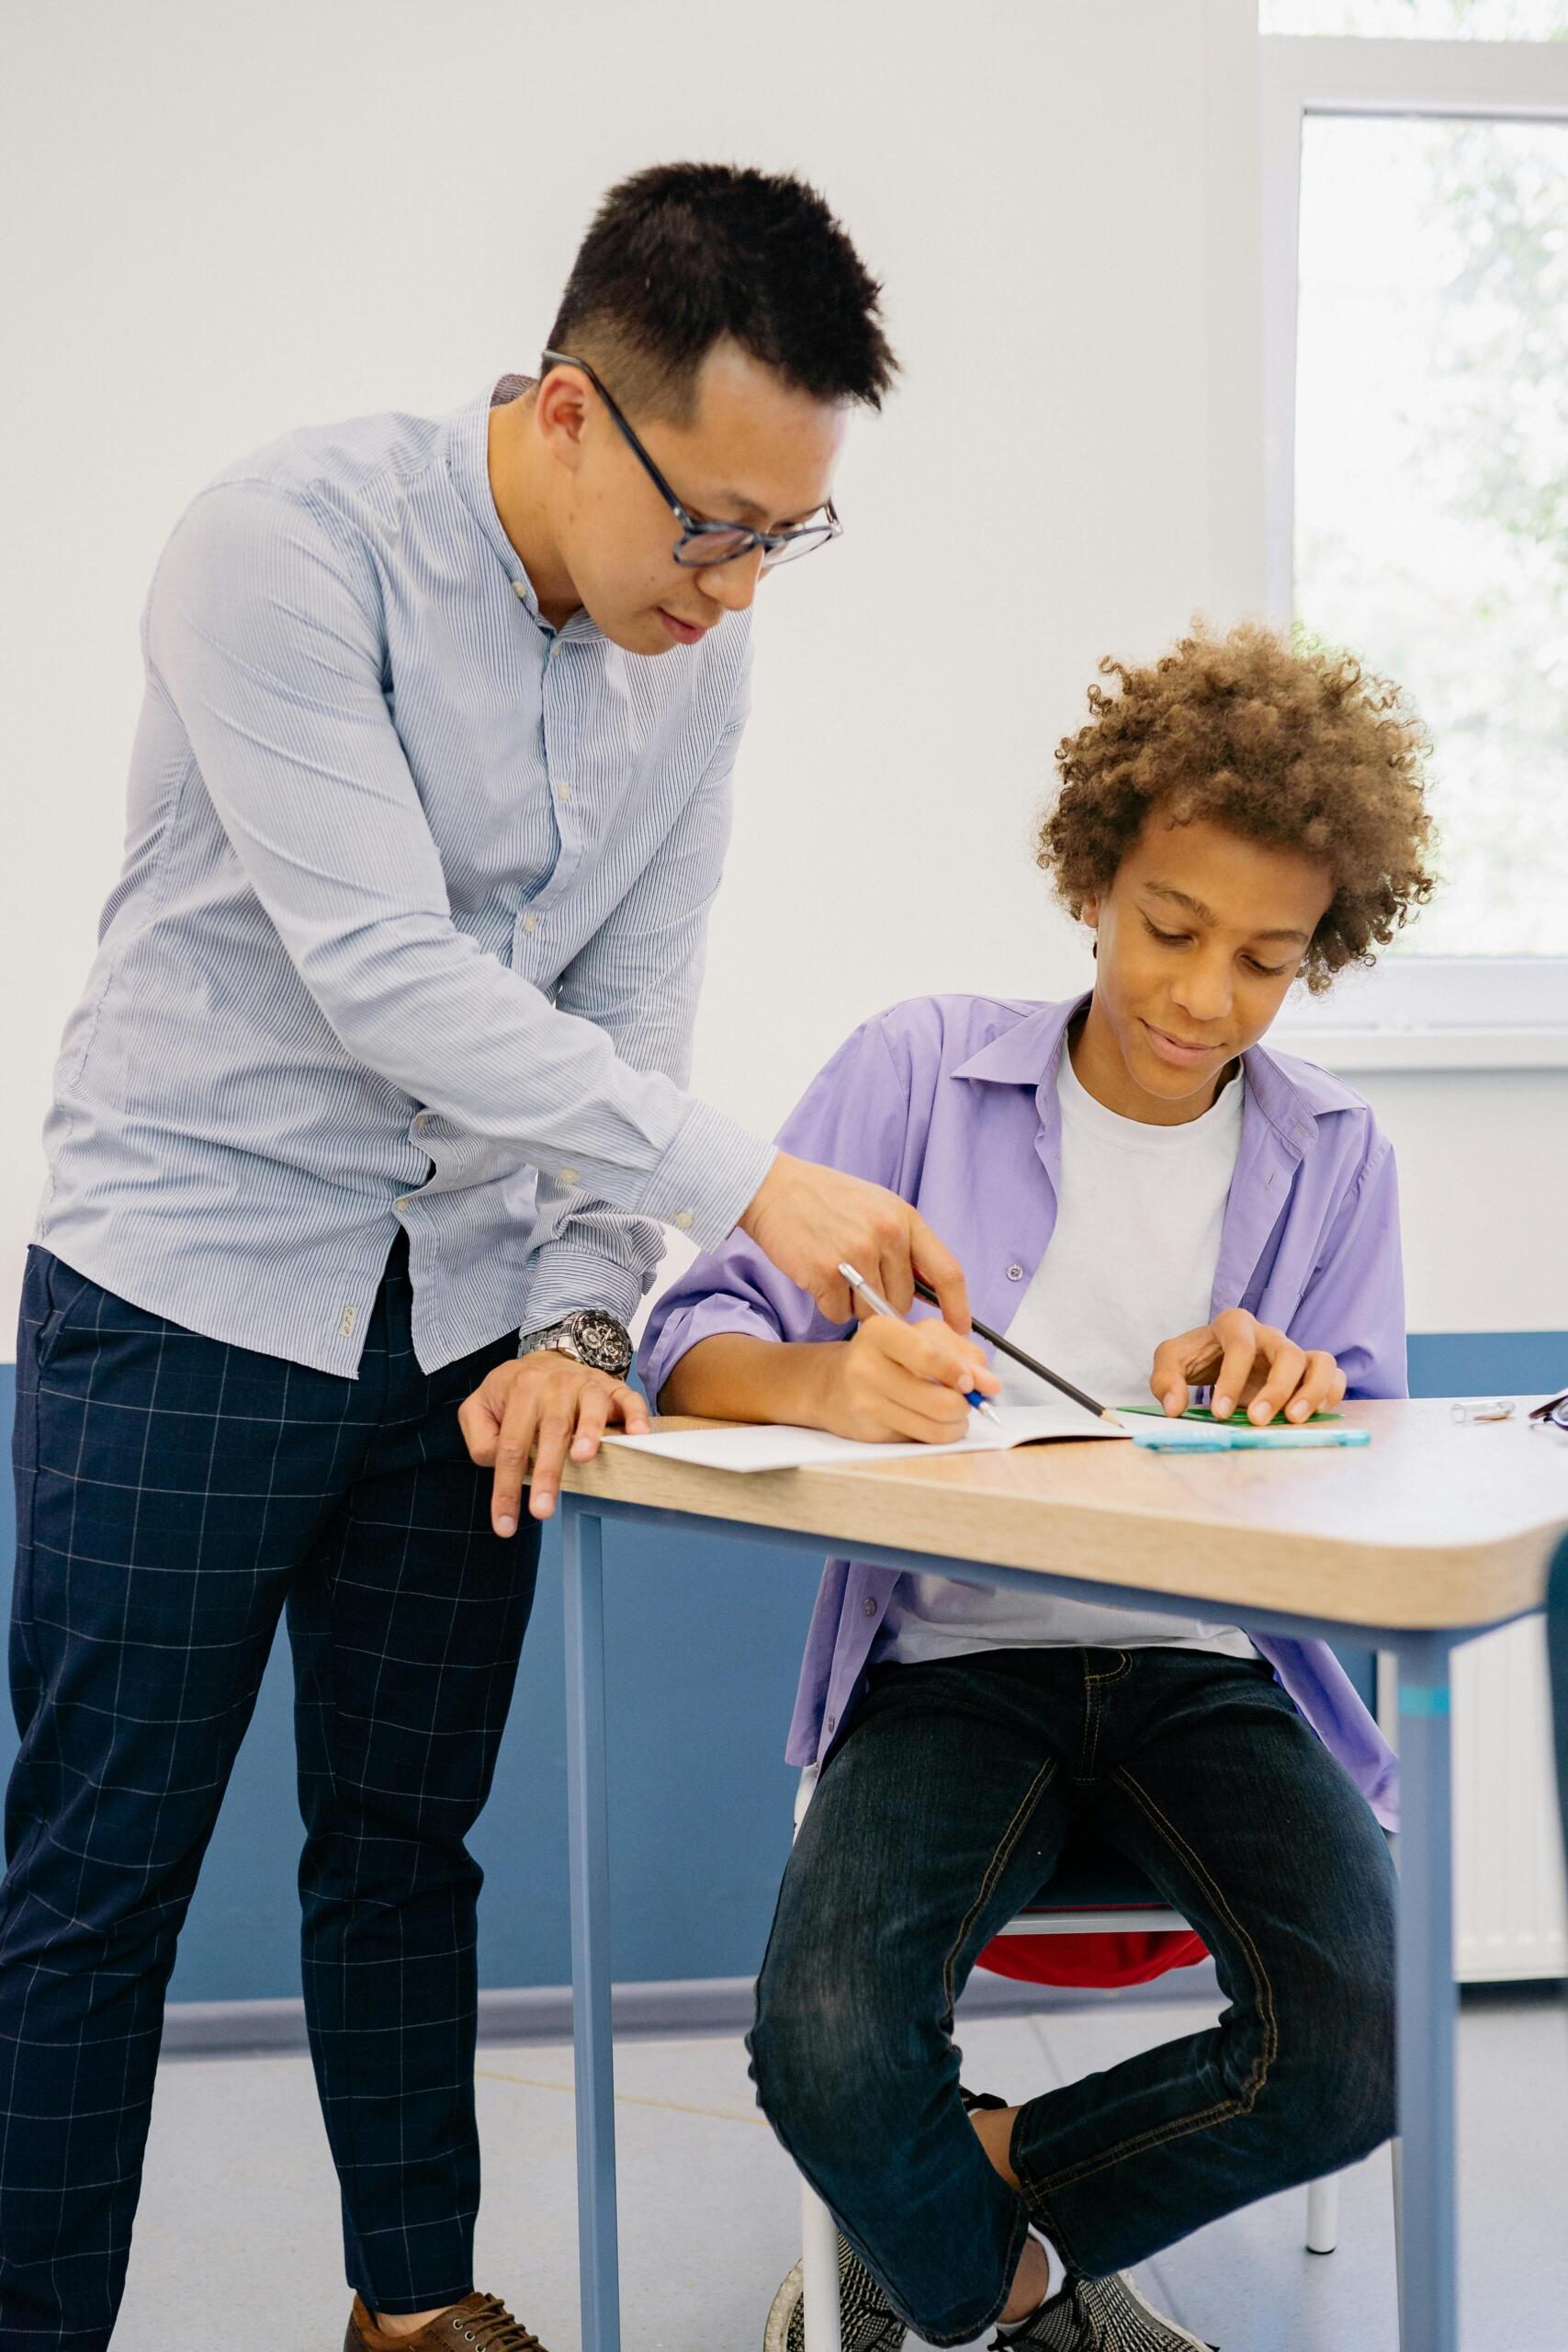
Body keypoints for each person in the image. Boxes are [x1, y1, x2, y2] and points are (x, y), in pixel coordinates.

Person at [3, 163, 972, 2352]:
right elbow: (381, 973)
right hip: (185, 1293)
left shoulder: (686, 674)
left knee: (404, 1852)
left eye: (782, 534)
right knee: (94, 1887)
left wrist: (580, 1311)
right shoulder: (281, 546)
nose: (733, 585)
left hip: (465, 1332)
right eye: (711, 520)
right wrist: (755, 1186)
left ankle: (412, 2305)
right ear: (563, 413)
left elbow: (619, 1017)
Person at [642, 622, 1436, 2350]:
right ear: (1093, 874)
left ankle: (971, 2224)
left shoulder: (1337, 1156)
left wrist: (1303, 1403)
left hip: (1214, 1675)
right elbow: (688, 1339)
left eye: (1266, 959)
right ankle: (1021, 2281)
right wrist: (828, 1385)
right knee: (829, 2049)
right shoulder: (917, 1069)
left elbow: (1369, 1461)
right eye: (1169, 928)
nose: (1203, 997)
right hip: (952, 1673)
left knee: (1380, 2034)